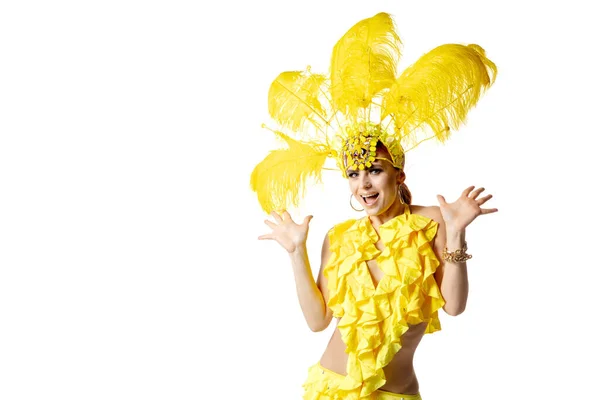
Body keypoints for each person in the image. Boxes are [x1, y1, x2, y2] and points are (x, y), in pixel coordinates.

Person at [251, 12, 497, 399]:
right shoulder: (340, 237)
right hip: (330, 390)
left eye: (374, 171)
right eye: (353, 174)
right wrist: (296, 252)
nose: (363, 183)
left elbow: (453, 307)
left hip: (395, 393)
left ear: (398, 175)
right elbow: (318, 321)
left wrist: (457, 231)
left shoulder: (432, 222)